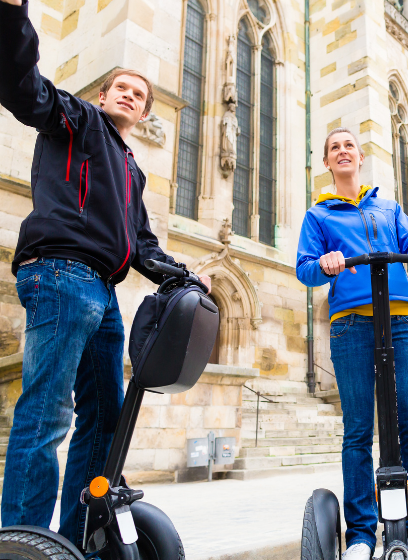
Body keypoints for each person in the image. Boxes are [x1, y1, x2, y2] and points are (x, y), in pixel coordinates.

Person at [0, 0, 212, 548]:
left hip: (102, 293)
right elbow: (25, 90)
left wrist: (184, 276)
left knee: (106, 421)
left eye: (139, 95)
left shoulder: (130, 168)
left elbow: (141, 243)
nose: (129, 95)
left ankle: (75, 542)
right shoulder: (76, 119)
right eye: (121, 87)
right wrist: (11, 17)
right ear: (103, 95)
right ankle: (22, 544)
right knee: (47, 413)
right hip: (59, 274)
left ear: (145, 114)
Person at [296, 128, 408, 560]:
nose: (342, 151)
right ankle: (360, 535)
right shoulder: (319, 215)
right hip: (351, 323)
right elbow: (305, 269)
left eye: (348, 146)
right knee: (358, 429)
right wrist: (324, 263)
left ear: (360, 158)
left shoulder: (390, 207)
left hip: (400, 318)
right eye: (334, 148)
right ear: (328, 162)